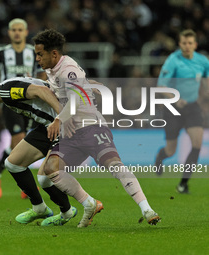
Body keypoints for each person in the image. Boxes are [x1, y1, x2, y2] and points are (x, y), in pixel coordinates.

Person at [31, 29, 160, 227]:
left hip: (91, 127)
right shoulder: (53, 69)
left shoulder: (68, 69)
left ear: (54, 53)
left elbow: (74, 99)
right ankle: (89, 203)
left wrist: (58, 120)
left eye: (40, 54)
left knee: (114, 165)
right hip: (72, 133)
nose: (37, 58)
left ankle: (147, 209)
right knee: (48, 173)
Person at [0, 72, 77, 226]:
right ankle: (39, 208)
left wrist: (63, 116)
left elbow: (42, 91)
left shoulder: (7, 91)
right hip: (46, 126)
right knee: (12, 163)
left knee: (44, 177)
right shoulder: (6, 94)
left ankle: (68, 211)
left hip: (62, 124)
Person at [0, 18, 46, 198]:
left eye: (20, 29)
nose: (17, 32)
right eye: (14, 30)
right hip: (9, 102)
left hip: (29, 103)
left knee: (18, 143)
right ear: (9, 32)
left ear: (26, 32)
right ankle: (26, 186)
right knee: (20, 139)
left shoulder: (32, 52)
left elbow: (41, 73)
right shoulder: (1, 53)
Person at [154, 29, 209, 193]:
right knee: (171, 151)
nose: (187, 46)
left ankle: (183, 183)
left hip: (192, 107)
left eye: (190, 43)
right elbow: (161, 86)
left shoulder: (203, 61)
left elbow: (206, 80)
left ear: (195, 45)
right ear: (180, 44)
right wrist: (176, 98)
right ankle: (160, 157)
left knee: (197, 144)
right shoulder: (173, 61)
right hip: (173, 108)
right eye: (184, 43)